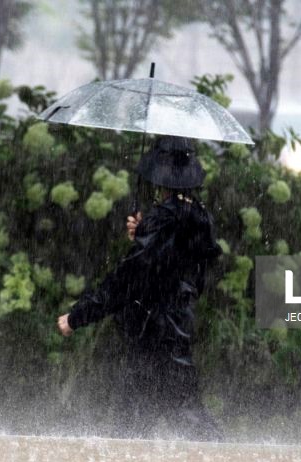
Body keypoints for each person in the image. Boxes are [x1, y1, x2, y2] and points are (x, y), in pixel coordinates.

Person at [56, 136, 224, 442]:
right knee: (158, 423)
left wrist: (78, 316)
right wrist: (146, 233)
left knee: (154, 425)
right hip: (175, 330)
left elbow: (127, 279)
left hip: (154, 333)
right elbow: (183, 271)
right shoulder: (199, 216)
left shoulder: (164, 219)